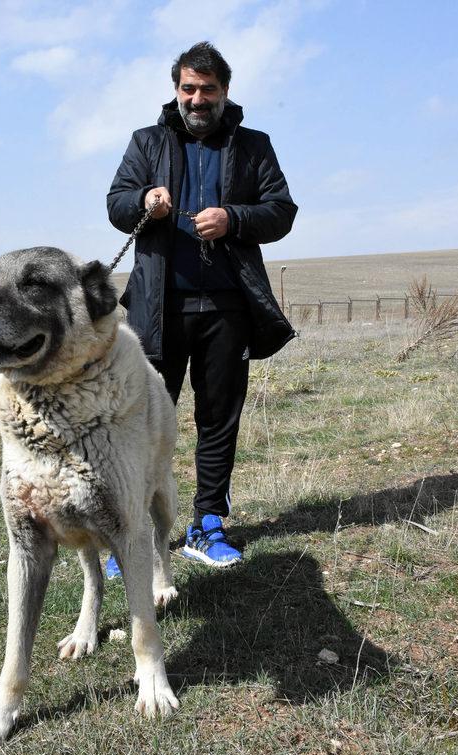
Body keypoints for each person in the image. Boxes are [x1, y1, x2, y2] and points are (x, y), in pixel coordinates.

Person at [105, 41, 297, 576]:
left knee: (218, 419)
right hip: (156, 310)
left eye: (207, 89)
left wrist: (233, 218)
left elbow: (281, 212)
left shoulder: (254, 145)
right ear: (176, 90)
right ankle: (134, 534)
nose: (197, 98)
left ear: (225, 92)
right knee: (142, 421)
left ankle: (207, 525)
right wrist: (144, 201)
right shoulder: (146, 142)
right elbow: (116, 204)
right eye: (188, 88)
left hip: (227, 310)